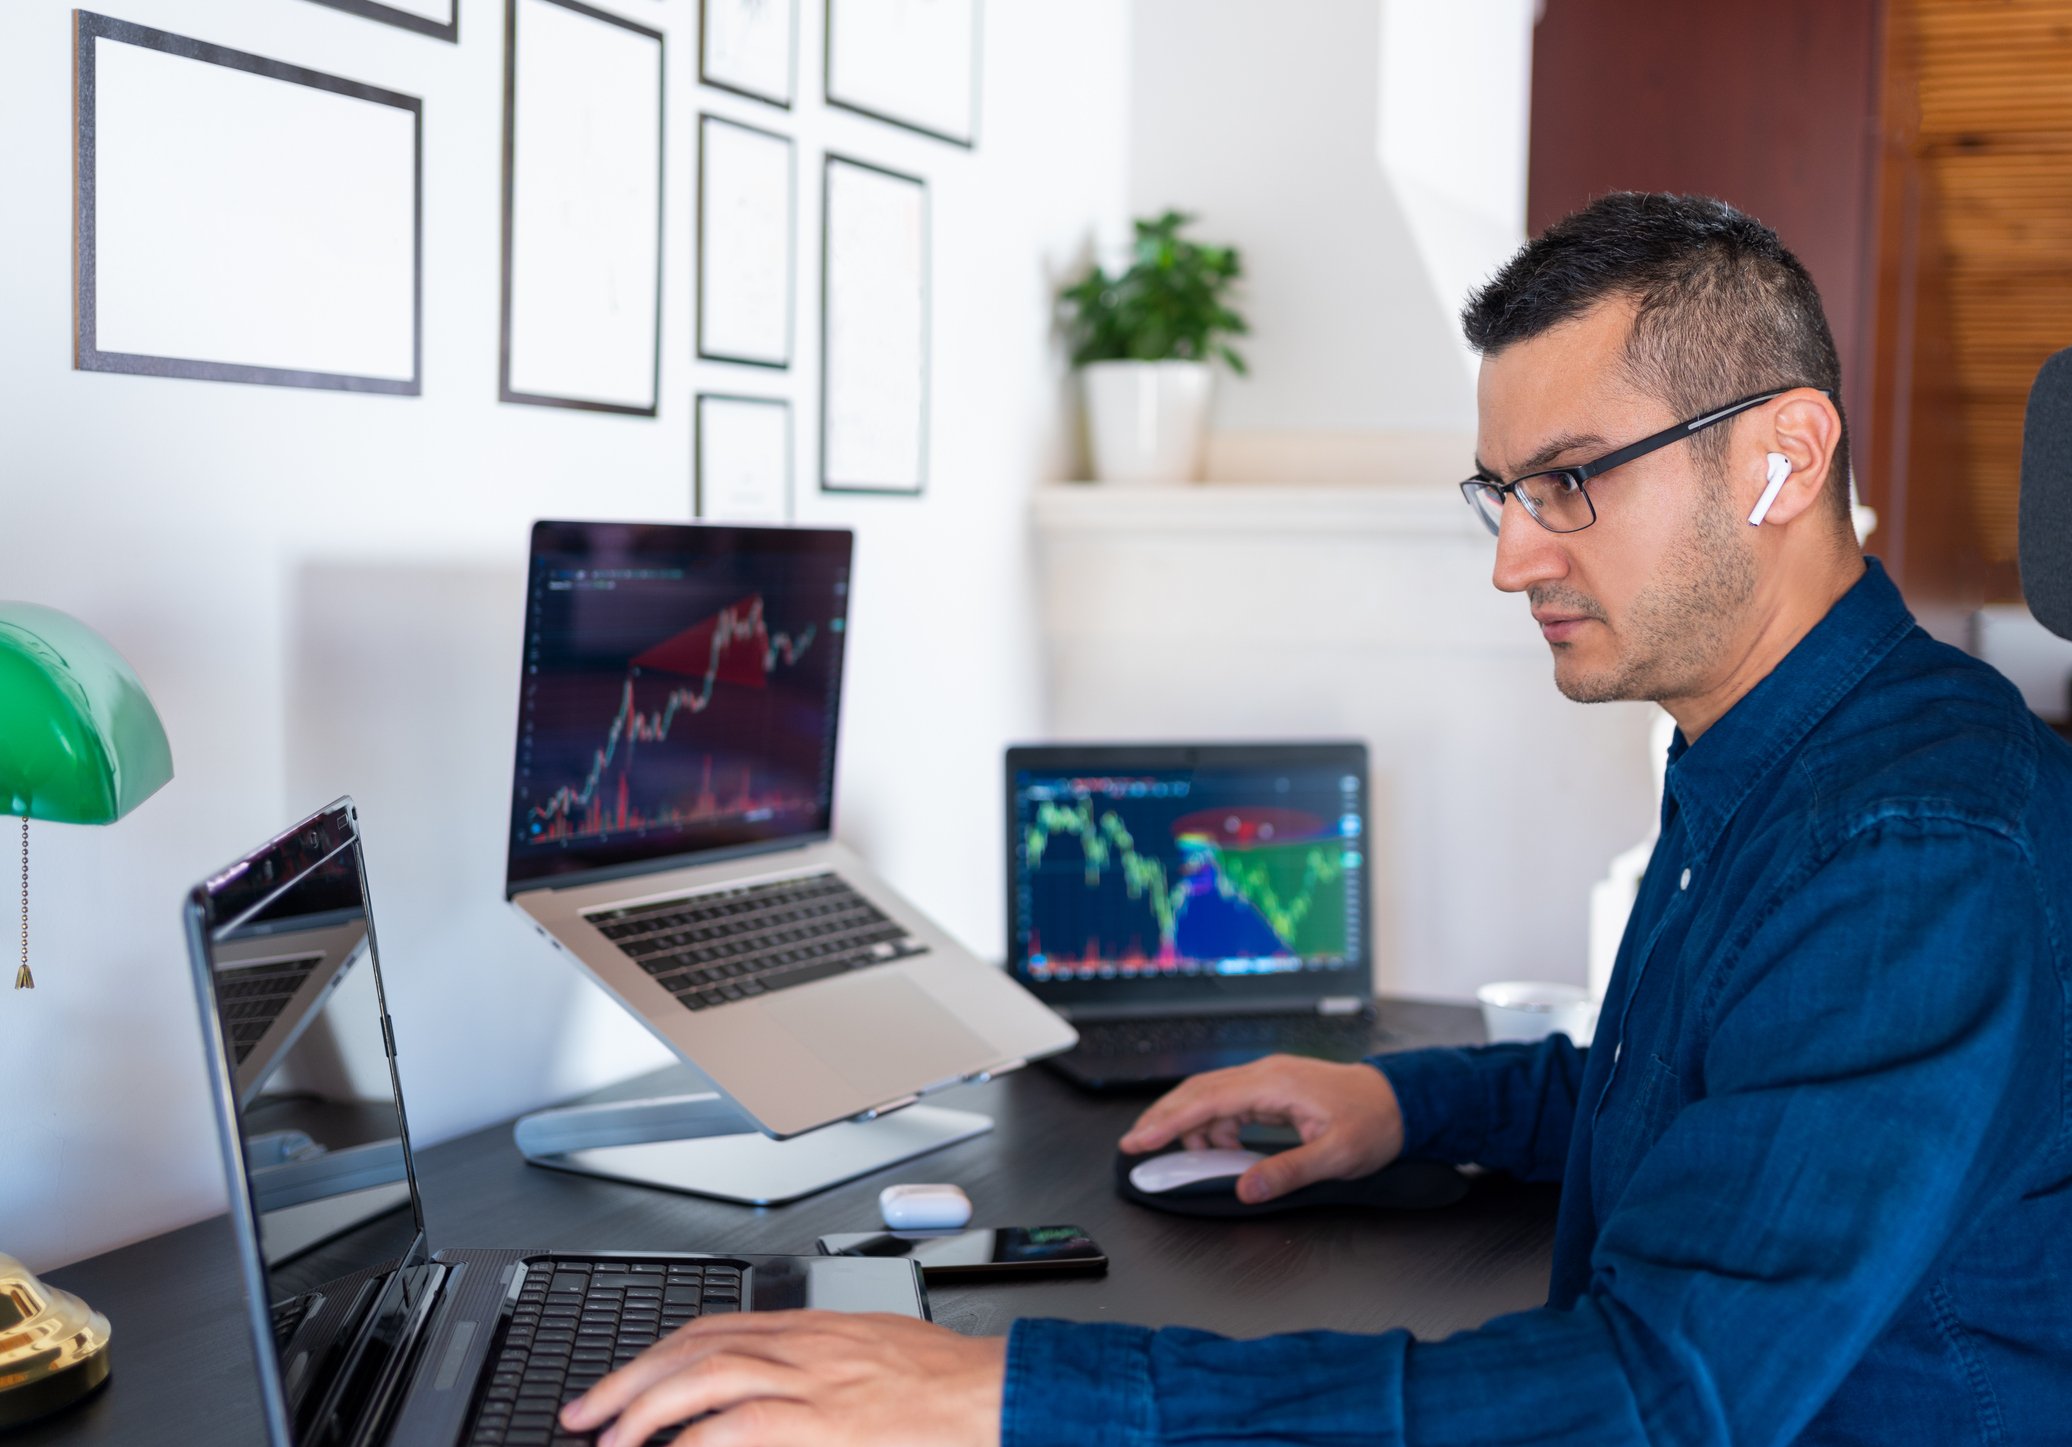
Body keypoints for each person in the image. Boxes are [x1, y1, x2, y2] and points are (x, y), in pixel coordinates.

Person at [558, 193, 2072, 1446]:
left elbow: (1655, 1401)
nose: (1512, 562)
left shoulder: (1909, 842)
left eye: (1567, 483)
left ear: (1782, 460)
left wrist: (1011, 1395)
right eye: (1503, 494)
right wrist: (1408, 1104)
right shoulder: (1780, 751)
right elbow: (1714, 1095)